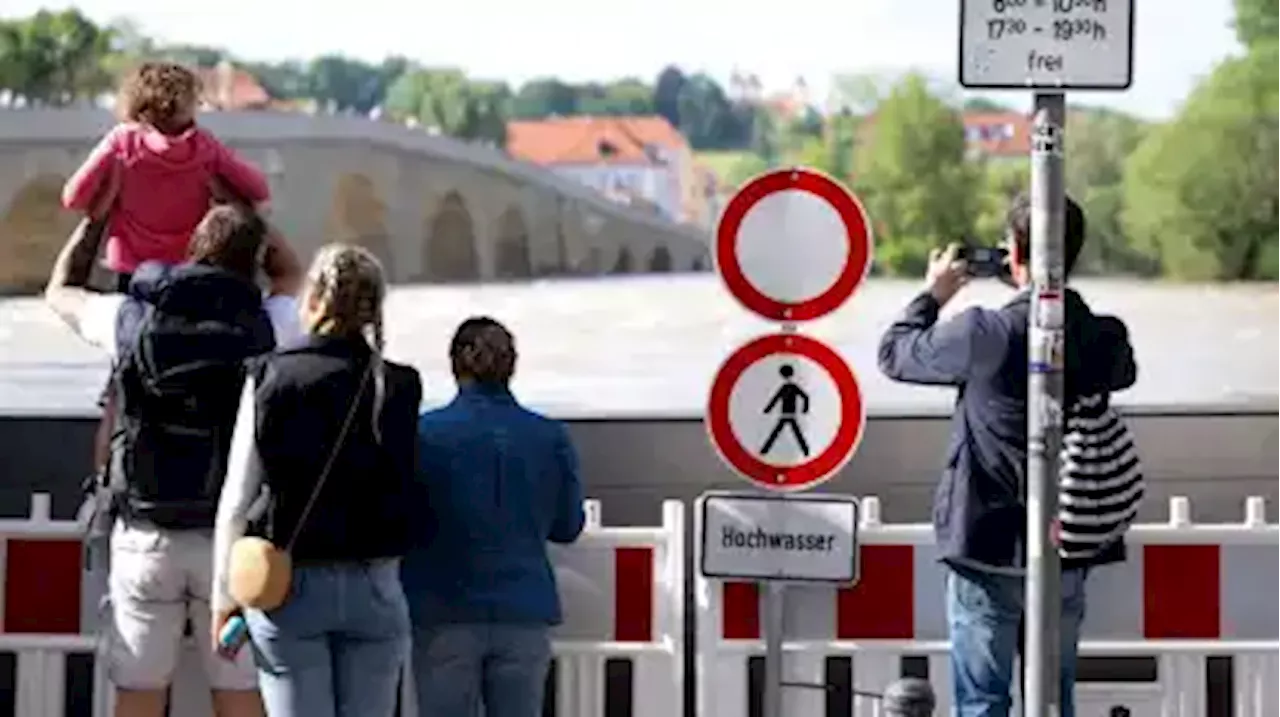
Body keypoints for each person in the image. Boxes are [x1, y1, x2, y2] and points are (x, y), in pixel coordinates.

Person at [876, 195, 1138, 717]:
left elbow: (895, 354)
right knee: (1052, 696)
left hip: (987, 547)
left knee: (982, 702)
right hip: (1068, 546)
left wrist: (933, 295)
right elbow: (1122, 371)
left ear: (1015, 253)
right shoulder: (1104, 335)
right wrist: (1036, 290)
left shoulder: (984, 332)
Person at [44, 204, 296, 717]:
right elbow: (293, 273)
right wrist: (249, 207)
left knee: (138, 693)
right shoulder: (271, 325)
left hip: (146, 531)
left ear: (191, 251)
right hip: (232, 544)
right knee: (239, 693)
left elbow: (61, 291)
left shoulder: (131, 320)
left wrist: (99, 217)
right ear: (253, 261)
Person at [213, 244, 422, 717]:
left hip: (290, 585)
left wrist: (224, 598)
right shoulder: (399, 385)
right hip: (376, 584)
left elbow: (237, 496)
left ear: (314, 299)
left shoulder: (272, 375)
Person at [402, 317, 586, 717]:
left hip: (441, 609)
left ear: (455, 366)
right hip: (524, 609)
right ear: (512, 365)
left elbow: (404, 521)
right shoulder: (549, 436)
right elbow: (568, 526)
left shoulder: (424, 434)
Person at [60, 60, 297, 289]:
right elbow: (258, 189)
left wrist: (110, 191)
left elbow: (73, 198)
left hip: (131, 269)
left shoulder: (122, 142)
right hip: (188, 266)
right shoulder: (204, 147)